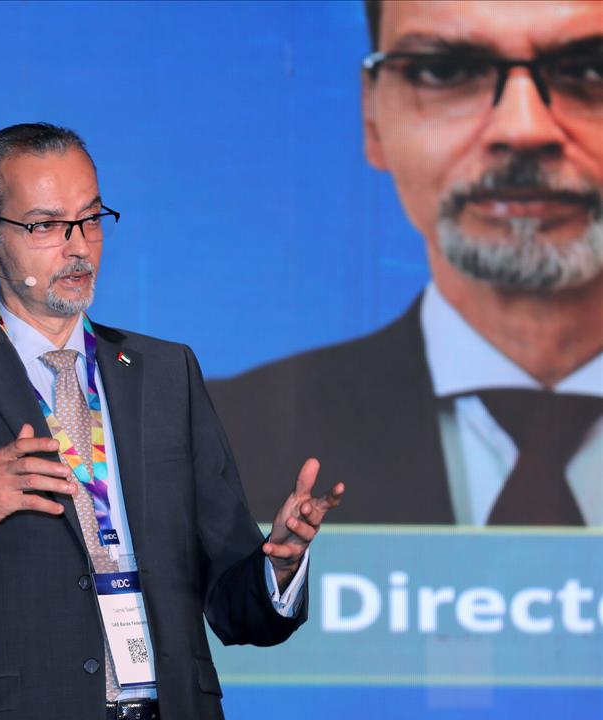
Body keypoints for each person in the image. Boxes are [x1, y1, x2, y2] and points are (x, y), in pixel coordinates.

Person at [0, 123, 341, 720]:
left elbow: (233, 605)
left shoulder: (166, 373)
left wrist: (279, 565)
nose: (78, 246)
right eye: (46, 225)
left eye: (90, 219)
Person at [210, 0, 603, 526]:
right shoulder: (222, 439)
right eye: (445, 70)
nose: (523, 128)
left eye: (592, 68)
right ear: (374, 116)